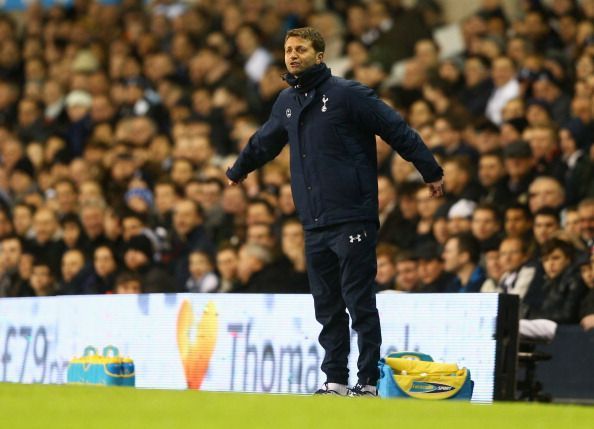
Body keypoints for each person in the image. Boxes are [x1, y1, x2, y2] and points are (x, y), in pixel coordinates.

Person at [226, 27, 444, 397]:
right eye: (288, 50)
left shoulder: (348, 95)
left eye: (301, 49)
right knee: (326, 307)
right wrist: (239, 168)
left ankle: (369, 381)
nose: (292, 55)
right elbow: (264, 141)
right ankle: (336, 380)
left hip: (353, 216)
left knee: (359, 301)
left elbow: (395, 129)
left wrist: (430, 169)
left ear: (320, 55)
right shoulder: (286, 102)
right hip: (313, 222)